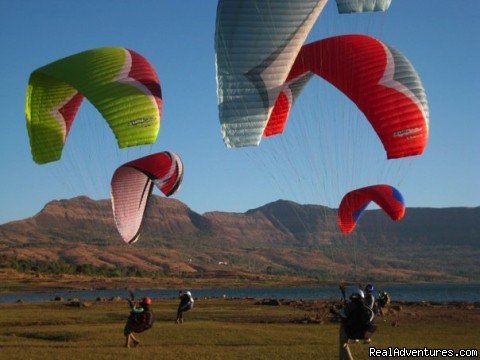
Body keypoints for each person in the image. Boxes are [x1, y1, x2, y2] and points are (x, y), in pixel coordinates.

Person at [339, 288, 377, 360]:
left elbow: (342, 315)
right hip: (363, 333)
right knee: (344, 343)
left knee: (343, 340)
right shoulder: (366, 308)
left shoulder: (350, 306)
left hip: (352, 333)